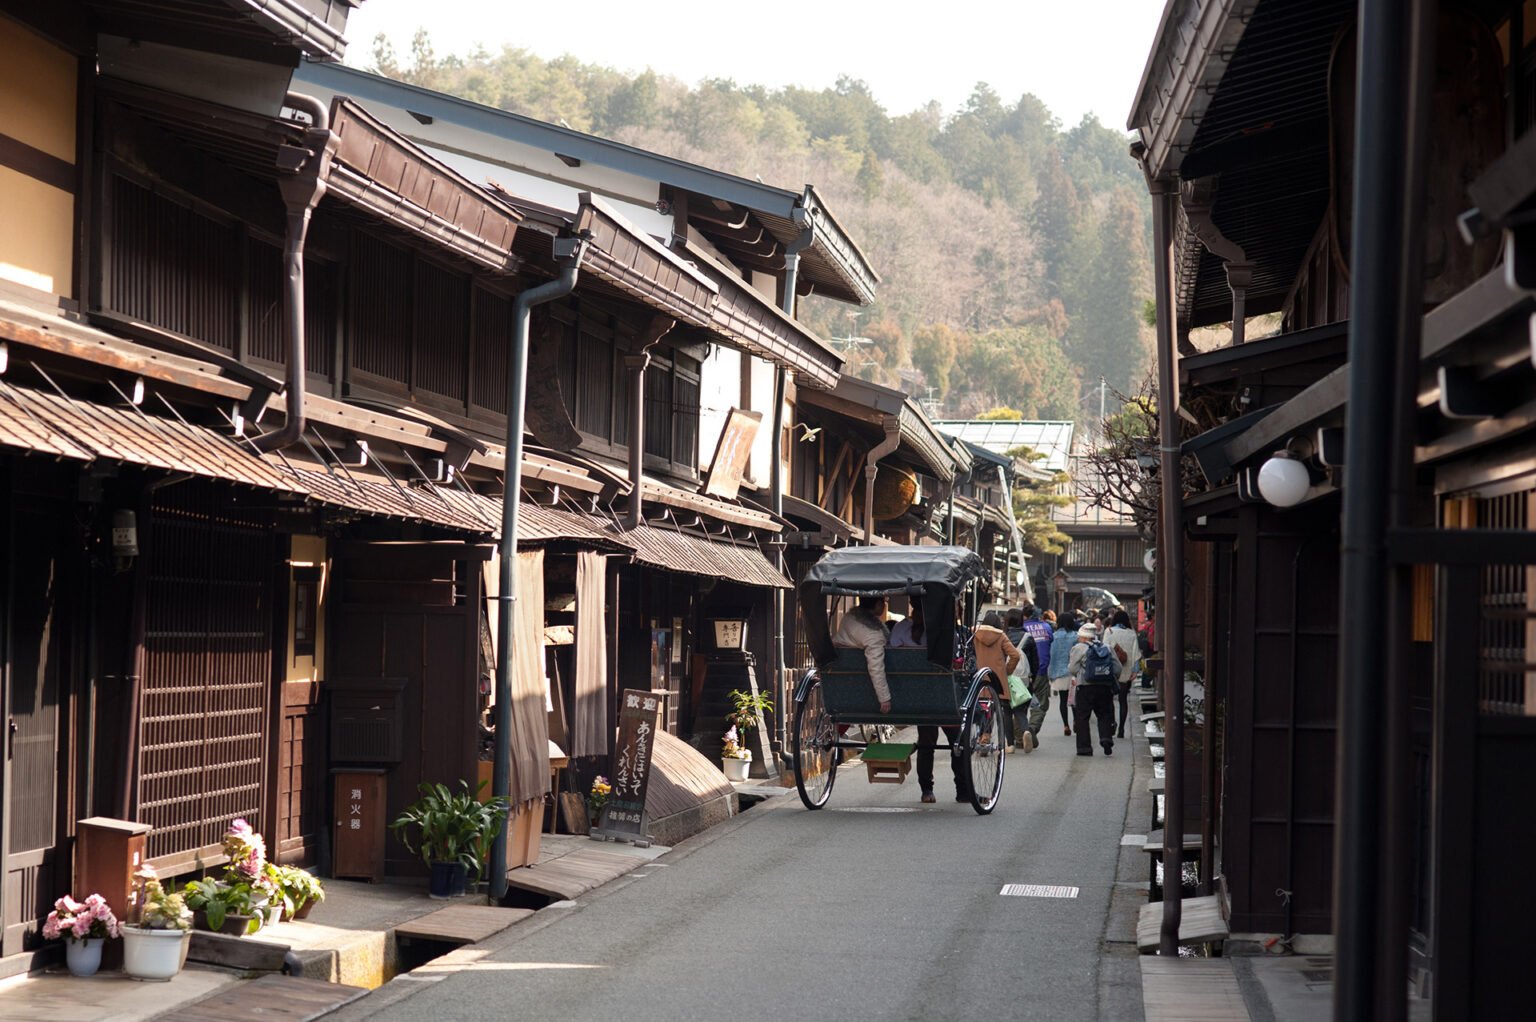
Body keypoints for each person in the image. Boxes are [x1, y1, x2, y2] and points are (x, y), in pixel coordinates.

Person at [832, 596, 893, 715]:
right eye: (884, 602)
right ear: (878, 604)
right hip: (861, 682)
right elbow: (876, 667)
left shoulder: (848, 618)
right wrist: (884, 698)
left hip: (840, 671)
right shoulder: (873, 634)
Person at [1069, 622, 1118, 756]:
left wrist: (1081, 675)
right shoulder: (1107, 647)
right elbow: (1117, 668)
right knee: (1104, 714)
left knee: (1083, 717)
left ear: (1083, 637)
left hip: (1085, 686)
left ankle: (1084, 748)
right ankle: (1106, 738)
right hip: (1104, 687)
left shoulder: (1079, 648)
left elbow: (1072, 668)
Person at [1018, 605, 1055, 750]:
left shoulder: (1021, 627)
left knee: (1018, 705)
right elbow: (1049, 642)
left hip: (1022, 672)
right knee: (1041, 704)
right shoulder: (1046, 627)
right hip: (1041, 670)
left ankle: (1020, 736)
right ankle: (1032, 729)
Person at [1104, 609, 1140, 739]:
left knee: (1110, 701)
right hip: (1126, 671)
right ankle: (1122, 729)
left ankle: (1112, 723)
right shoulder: (1131, 634)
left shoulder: (1108, 632)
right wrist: (1135, 670)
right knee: (1123, 700)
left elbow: (1103, 651)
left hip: (1111, 670)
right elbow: (1136, 653)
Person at [1047, 612, 1079, 737]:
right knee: (1074, 700)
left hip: (1058, 673)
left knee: (1063, 700)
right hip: (1072, 673)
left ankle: (1066, 725)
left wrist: (1050, 673)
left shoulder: (1053, 637)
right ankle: (1076, 720)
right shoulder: (1075, 637)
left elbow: (1051, 655)